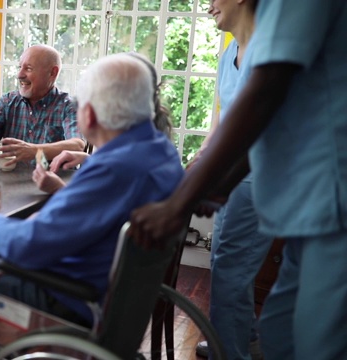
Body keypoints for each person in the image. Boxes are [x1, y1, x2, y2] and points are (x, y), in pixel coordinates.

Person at [129, 1, 347, 359]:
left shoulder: (277, 35)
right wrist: (213, 184)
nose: (208, 3)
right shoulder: (234, 51)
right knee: (280, 329)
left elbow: (267, 96)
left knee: (314, 340)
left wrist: (180, 203)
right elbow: (246, 124)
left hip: (328, 199)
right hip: (300, 205)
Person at [0, 52, 184, 336]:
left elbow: (25, 247)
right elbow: (102, 213)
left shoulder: (113, 169)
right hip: (113, 304)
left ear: (89, 113)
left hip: (61, 305)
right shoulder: (163, 156)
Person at [191, 1, 269, 359]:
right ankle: (246, 339)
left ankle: (230, 351)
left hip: (259, 179)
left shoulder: (269, 50)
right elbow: (220, 123)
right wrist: (200, 160)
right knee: (229, 261)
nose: (208, 7)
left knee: (229, 267)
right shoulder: (229, 53)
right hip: (233, 179)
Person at [32, 51, 172, 195]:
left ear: (90, 114)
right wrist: (89, 159)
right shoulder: (159, 148)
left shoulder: (113, 171)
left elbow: (89, 207)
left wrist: (58, 188)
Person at [0, 44, 85, 167]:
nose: (19, 75)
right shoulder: (7, 101)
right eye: (19, 67)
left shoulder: (69, 106)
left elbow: (77, 145)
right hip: (12, 182)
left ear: (52, 73)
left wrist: (34, 150)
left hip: (54, 182)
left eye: (28, 68)